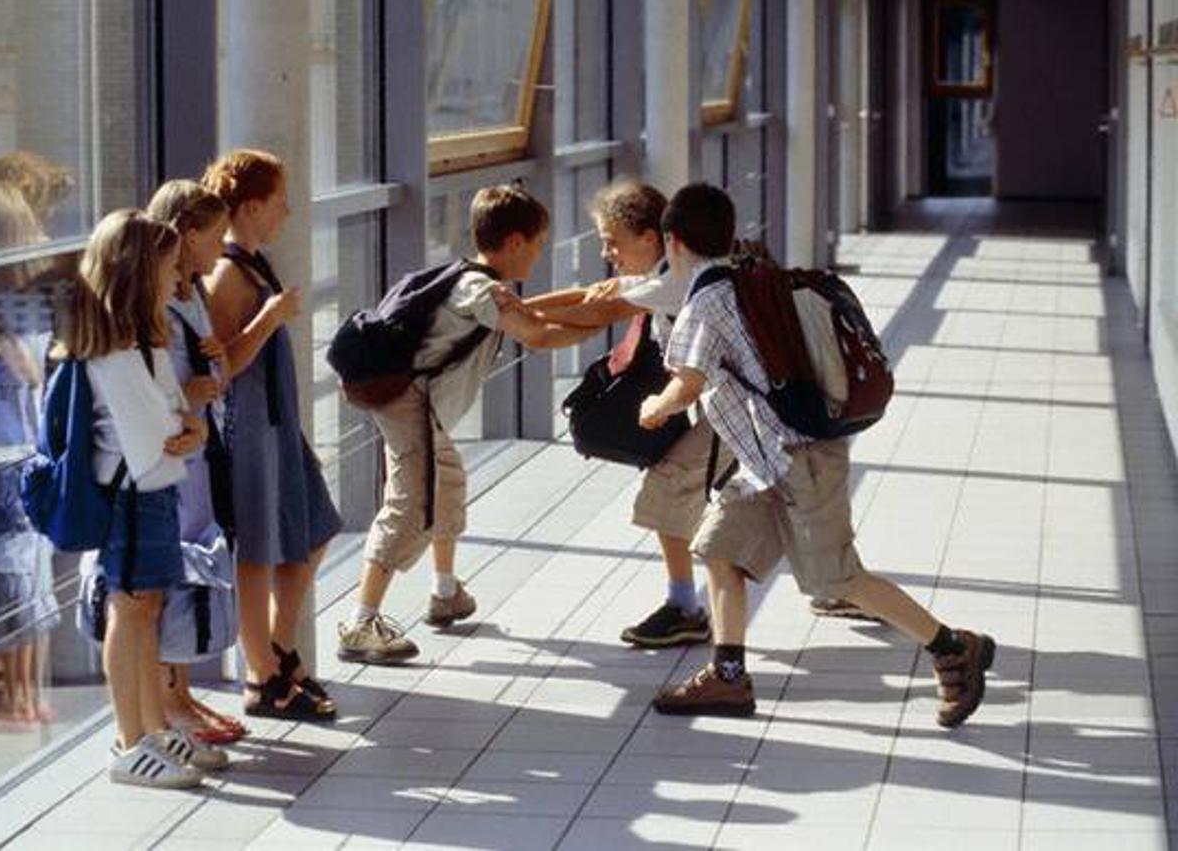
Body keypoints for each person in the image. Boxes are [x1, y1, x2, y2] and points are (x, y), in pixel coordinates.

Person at [641, 183, 994, 728]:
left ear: (673, 241)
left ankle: (951, 646)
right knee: (718, 549)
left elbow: (685, 386)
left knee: (839, 579)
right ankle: (728, 678)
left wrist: (652, 408)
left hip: (798, 459)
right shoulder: (747, 280)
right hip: (762, 464)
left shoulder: (705, 303)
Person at [336, 183, 599, 665]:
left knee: (448, 481)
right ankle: (359, 623)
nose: (539, 255)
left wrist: (596, 306)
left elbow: (534, 313)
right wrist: (604, 322)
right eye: (538, 244)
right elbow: (536, 334)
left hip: (417, 405)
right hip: (408, 404)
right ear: (515, 242)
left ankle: (444, 591)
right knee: (410, 503)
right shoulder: (481, 288)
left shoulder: (471, 278)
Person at [521, 180, 734, 648]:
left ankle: (685, 608)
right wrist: (517, 308)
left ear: (651, 239)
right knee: (790, 502)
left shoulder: (673, 281)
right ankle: (839, 581)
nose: (607, 252)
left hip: (740, 412)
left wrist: (515, 319)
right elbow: (592, 295)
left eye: (612, 241)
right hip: (744, 409)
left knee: (668, 484)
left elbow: (602, 312)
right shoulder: (672, 272)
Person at [68, 209, 221, 787]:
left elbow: (176, 414)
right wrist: (184, 431)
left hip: (155, 489)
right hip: (132, 495)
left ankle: (152, 730)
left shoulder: (143, 341)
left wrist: (189, 429)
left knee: (146, 610)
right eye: (165, 267)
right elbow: (150, 435)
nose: (174, 278)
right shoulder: (109, 350)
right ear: (136, 272)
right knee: (130, 611)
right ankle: (132, 741)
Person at [202, 150, 342, 721]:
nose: (287, 211)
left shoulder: (255, 264)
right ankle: (262, 674)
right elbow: (220, 367)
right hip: (250, 427)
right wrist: (271, 318)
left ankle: (278, 649)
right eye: (279, 200)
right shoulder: (229, 274)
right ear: (253, 206)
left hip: (277, 421)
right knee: (256, 549)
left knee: (314, 525)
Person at [146, 179, 246, 744]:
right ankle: (167, 698)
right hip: (177, 459)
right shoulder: (155, 305)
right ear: (185, 235)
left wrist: (215, 366)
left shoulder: (193, 295)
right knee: (176, 570)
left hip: (200, 453)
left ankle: (180, 691)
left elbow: (216, 382)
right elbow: (153, 390)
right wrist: (194, 392)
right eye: (214, 238)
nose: (219, 251)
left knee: (194, 565)